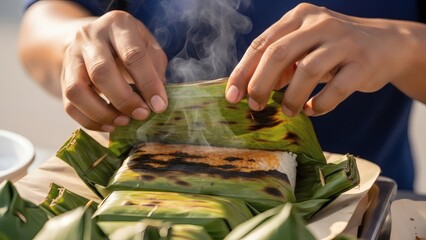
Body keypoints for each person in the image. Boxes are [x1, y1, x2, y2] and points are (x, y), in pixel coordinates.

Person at [19, 0, 426, 190]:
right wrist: (74, 43)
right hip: (140, 190)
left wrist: (405, 47)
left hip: (360, 198)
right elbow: (41, 22)